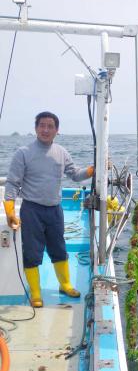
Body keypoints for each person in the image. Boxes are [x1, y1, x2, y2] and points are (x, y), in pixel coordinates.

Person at [2, 111, 94, 307]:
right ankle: (35, 293)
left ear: (57, 130)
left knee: (59, 248)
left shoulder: (61, 152)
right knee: (32, 252)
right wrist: (10, 211)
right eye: (42, 125)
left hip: (54, 210)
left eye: (50, 126)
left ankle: (65, 284)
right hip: (31, 210)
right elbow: (12, 184)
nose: (45, 129)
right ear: (35, 128)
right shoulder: (23, 153)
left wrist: (92, 170)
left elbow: (75, 175)